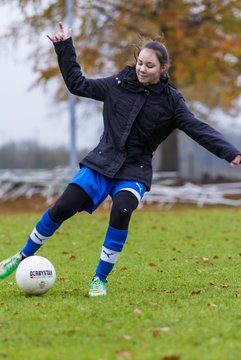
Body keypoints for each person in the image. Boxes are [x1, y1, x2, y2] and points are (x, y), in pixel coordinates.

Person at [1, 23, 241, 297]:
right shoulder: (117, 84)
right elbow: (77, 84)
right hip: (101, 163)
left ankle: (99, 280)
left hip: (134, 171)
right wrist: (64, 47)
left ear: (163, 69)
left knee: (122, 210)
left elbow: (198, 128)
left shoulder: (172, 102)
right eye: (140, 62)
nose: (141, 69)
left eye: (149, 66)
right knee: (61, 208)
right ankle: (20, 256)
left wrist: (229, 151)